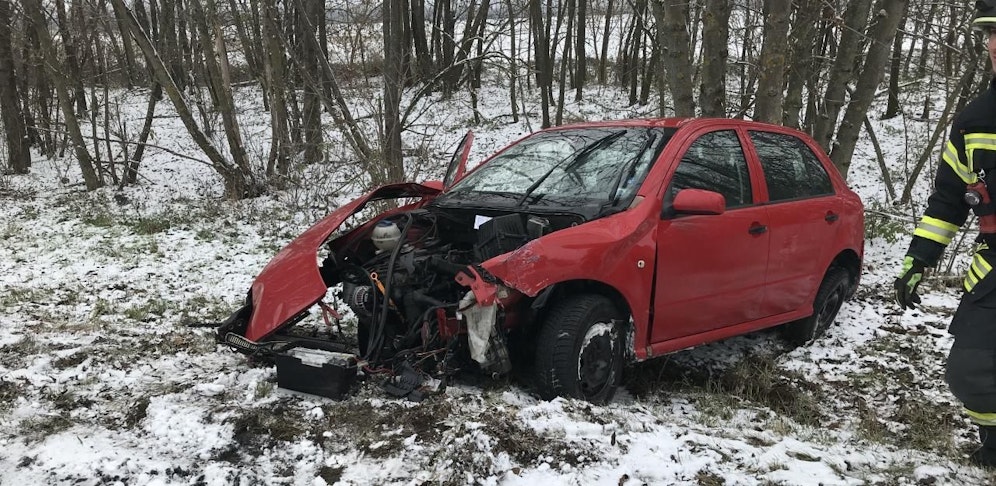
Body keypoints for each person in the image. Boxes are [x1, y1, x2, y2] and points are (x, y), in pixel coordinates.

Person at [895, 0, 996, 467]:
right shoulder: (976, 120)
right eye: (990, 34)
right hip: (994, 268)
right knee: (971, 370)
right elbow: (949, 199)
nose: (995, 45)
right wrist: (919, 257)